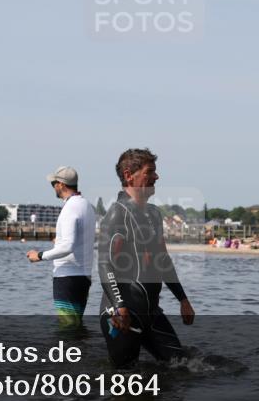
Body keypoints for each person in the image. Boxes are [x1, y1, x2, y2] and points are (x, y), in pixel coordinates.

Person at [98, 148, 195, 368]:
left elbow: (163, 261)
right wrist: (120, 306)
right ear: (128, 175)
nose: (156, 177)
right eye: (150, 171)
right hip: (121, 314)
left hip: (151, 313)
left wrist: (183, 299)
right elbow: (105, 264)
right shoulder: (117, 213)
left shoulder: (153, 214)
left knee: (181, 366)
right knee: (124, 381)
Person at [26, 166, 96, 328]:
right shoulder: (87, 206)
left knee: (68, 328)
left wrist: (40, 256)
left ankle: (67, 353)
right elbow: (80, 239)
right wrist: (59, 242)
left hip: (67, 277)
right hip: (84, 276)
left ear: (61, 185)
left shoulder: (70, 208)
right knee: (76, 327)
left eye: (53, 183)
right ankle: (83, 353)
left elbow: (67, 247)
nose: (53, 187)